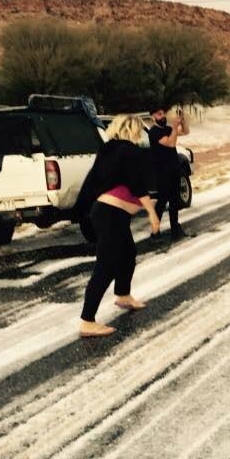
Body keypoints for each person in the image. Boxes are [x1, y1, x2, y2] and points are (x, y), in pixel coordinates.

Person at [78, 115, 160, 337]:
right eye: (138, 130)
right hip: (110, 214)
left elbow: (93, 181)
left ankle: (123, 295)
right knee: (106, 265)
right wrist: (152, 213)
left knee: (127, 254)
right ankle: (87, 321)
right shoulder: (128, 150)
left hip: (107, 213)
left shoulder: (108, 149)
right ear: (132, 129)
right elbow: (136, 184)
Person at [148, 105, 190, 240]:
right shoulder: (153, 132)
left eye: (163, 114)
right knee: (161, 201)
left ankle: (175, 230)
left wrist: (182, 121)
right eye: (159, 114)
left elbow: (186, 131)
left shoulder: (168, 129)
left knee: (174, 200)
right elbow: (171, 143)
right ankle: (155, 232)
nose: (162, 117)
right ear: (153, 117)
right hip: (162, 171)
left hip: (173, 169)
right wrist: (174, 127)